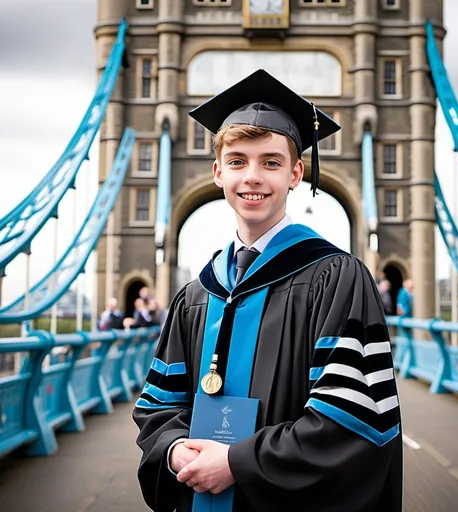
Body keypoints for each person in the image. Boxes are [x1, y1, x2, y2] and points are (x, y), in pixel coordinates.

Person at [133, 69, 402, 512]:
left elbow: (352, 419)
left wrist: (238, 463)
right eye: (238, 161)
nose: (252, 176)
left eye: (271, 162)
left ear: (296, 173)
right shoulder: (195, 294)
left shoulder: (337, 278)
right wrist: (173, 449)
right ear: (218, 172)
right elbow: (158, 404)